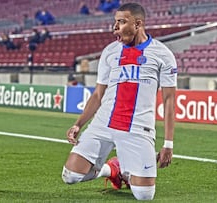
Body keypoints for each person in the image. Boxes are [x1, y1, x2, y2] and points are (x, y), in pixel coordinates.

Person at [62, 2, 177, 201]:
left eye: (122, 22)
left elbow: (168, 100)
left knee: (144, 195)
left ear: (138, 24)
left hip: (138, 128)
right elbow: (98, 94)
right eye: (115, 22)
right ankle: (113, 169)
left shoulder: (163, 55)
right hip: (104, 122)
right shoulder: (110, 52)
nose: (115, 27)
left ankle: (120, 169)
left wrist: (168, 143)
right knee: (70, 176)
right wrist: (78, 124)